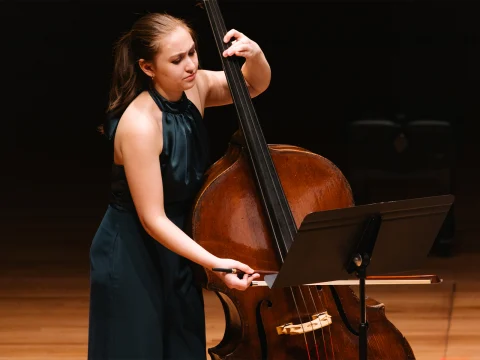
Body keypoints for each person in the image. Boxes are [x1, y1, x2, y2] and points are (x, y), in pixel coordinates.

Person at [88, 11, 271, 360]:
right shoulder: (140, 125)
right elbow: (152, 219)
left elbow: (253, 85)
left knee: (182, 349)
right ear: (147, 67)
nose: (190, 65)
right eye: (176, 59)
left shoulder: (196, 86)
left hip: (178, 245)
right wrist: (215, 264)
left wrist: (255, 54)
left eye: (192, 52)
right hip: (131, 251)